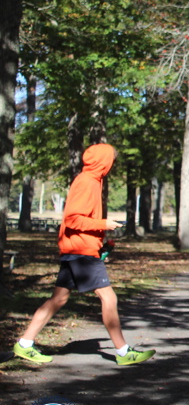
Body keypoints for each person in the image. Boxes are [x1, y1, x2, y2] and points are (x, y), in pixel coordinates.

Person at [12, 143, 156, 366]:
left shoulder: (91, 180)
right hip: (80, 251)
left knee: (59, 299)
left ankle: (24, 344)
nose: (113, 164)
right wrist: (103, 224)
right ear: (103, 162)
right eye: (111, 160)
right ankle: (123, 352)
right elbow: (72, 219)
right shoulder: (87, 182)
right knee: (109, 298)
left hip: (78, 249)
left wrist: (100, 242)